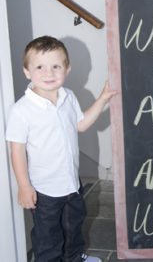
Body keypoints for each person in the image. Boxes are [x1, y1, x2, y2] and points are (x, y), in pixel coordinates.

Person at [6, 36, 118, 262]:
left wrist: (103, 98)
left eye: (55, 66)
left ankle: (75, 258)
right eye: (40, 67)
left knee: (73, 228)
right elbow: (16, 149)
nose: (48, 73)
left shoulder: (69, 97)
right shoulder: (22, 110)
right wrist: (24, 186)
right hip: (44, 189)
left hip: (71, 184)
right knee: (48, 238)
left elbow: (82, 124)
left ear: (67, 69)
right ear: (27, 71)